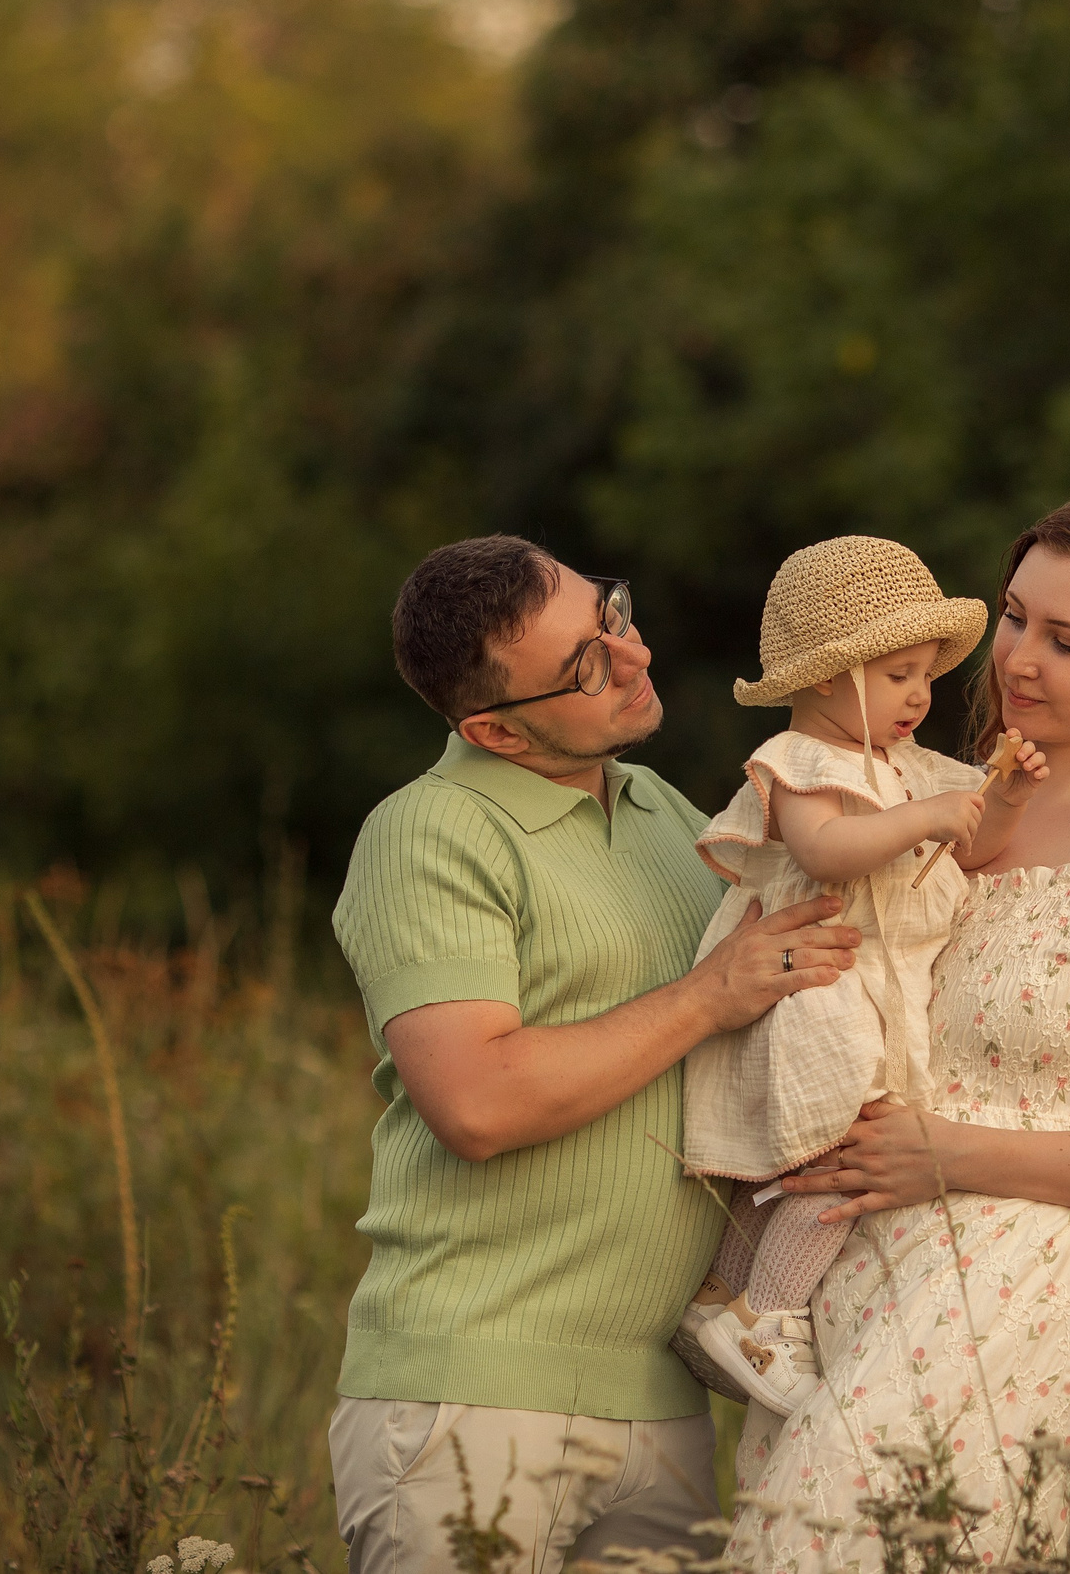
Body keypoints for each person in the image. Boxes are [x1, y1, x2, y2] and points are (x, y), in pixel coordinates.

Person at [730, 486, 1070, 1572]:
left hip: (1018, 1298)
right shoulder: (921, 802)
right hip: (846, 1288)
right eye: (1016, 617)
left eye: (1068, 641)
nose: (1017, 659)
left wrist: (952, 1155)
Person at [326, 535, 862, 1574]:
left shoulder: (663, 810)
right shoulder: (430, 832)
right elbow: (478, 1102)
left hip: (662, 1402)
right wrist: (708, 995)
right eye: (585, 664)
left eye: (611, 615)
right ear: (494, 730)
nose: (636, 655)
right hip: (471, 1399)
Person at [673, 537, 1047, 1417]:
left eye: (925, 674)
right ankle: (769, 1313)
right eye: (898, 675)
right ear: (827, 679)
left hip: (873, 1000)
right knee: (841, 1160)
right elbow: (827, 850)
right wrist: (920, 814)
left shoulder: (909, 765)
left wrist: (1007, 799)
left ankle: (717, 1298)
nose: (921, 694)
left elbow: (974, 843)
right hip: (817, 992)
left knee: (796, 1162)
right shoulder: (801, 763)